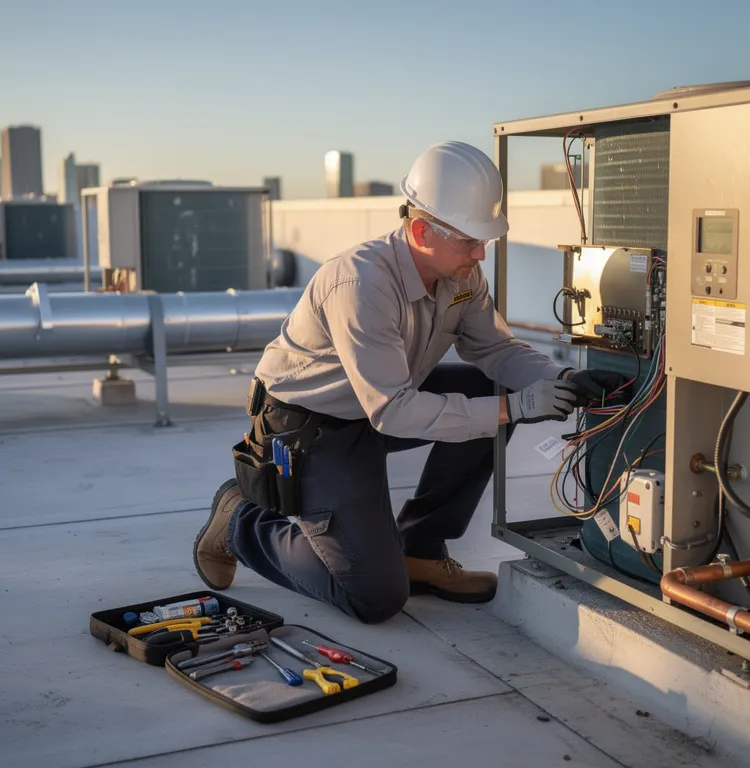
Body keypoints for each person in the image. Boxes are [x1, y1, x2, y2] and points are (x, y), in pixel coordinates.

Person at [193, 141, 623, 623]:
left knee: (490, 391)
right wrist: (516, 408)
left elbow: (494, 350)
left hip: (381, 401)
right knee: (374, 596)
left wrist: (562, 377)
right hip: (311, 427)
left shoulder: (463, 275)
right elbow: (393, 410)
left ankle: (419, 546)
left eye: (485, 239)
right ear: (421, 230)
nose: (481, 252)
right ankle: (239, 521)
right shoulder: (361, 283)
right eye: (469, 240)